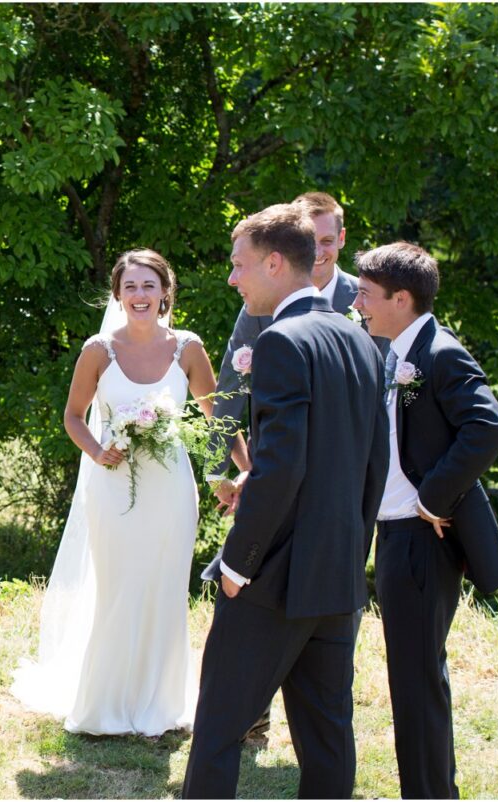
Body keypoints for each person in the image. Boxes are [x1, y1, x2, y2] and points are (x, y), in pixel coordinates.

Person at [182, 205, 388, 798]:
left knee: (220, 728)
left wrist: (239, 562)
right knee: (328, 737)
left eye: (239, 265)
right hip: (338, 573)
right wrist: (353, 547)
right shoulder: (361, 339)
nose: (232, 278)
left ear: (275, 263)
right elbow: (373, 464)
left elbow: (280, 467)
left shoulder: (280, 341)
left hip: (274, 577)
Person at [10, 249, 248, 734]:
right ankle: (108, 703)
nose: (140, 295)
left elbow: (218, 419)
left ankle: (161, 704)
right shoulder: (99, 350)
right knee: (120, 588)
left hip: (171, 491)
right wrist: (98, 451)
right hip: (113, 488)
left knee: (163, 590)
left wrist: (252, 470)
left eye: (149, 286)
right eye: (131, 287)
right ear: (117, 294)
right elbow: (74, 417)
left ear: (165, 292)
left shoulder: (189, 348)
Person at [353, 242, 498, 798]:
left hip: (423, 534)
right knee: (411, 675)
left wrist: (434, 498)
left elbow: (488, 428)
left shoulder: (439, 352)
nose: (358, 303)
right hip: (394, 533)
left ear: (401, 299)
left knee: (417, 679)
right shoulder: (392, 349)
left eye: (367, 295)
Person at [206, 190, 363, 739]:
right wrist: (224, 467)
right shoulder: (261, 312)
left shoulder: (358, 306)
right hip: (327, 540)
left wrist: (236, 562)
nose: (318, 252)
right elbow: (231, 390)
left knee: (222, 715)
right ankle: (260, 717)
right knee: (327, 727)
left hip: (297, 540)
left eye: (326, 241)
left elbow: (301, 460)